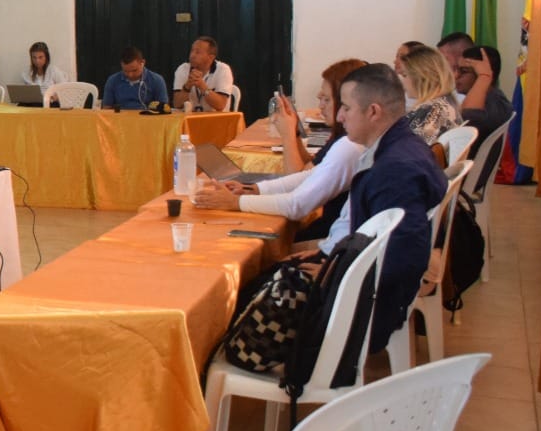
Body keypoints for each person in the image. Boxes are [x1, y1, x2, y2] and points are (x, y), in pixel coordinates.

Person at [329, 64, 446, 356]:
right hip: (366, 279)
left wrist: (335, 274)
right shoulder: (402, 146)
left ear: (373, 112)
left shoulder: (395, 171)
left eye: (346, 107)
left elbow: (401, 256)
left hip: (369, 304)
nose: (339, 116)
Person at [194, 59, 366, 235]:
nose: (321, 106)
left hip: (330, 239)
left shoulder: (350, 146)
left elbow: (297, 204)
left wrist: (236, 202)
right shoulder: (346, 141)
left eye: (328, 100)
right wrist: (251, 190)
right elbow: (309, 175)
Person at [395, 44, 461, 145]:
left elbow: (409, 149)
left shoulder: (432, 111)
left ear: (421, 77)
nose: (403, 82)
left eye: (405, 75)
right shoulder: (445, 102)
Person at [451, 43, 513, 146]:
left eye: (464, 71)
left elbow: (466, 123)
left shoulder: (494, 104)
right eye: (456, 70)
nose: (456, 76)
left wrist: (484, 76)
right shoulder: (492, 97)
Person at [171, 36, 235, 112]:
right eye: (192, 51)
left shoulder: (223, 70)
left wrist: (202, 86)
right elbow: (177, 104)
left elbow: (220, 105)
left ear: (211, 57)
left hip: (216, 118)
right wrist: (187, 86)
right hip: (190, 118)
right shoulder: (183, 69)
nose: (192, 55)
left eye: (197, 52)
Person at [101, 46, 169, 110]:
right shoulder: (112, 80)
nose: (130, 75)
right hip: (120, 117)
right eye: (126, 71)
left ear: (143, 63)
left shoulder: (157, 80)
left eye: (134, 70)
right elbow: (106, 109)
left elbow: (163, 109)